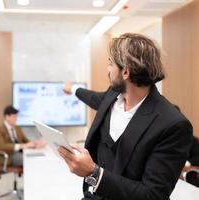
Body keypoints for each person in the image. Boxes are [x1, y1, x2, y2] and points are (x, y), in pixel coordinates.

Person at [58, 33, 193, 200]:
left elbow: (153, 195)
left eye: (110, 64)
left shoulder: (173, 125)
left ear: (125, 72)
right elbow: (94, 98)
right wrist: (72, 89)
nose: (108, 70)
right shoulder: (112, 96)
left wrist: (94, 173)